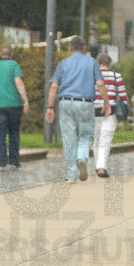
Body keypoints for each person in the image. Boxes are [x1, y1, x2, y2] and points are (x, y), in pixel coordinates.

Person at [45, 37, 110, 183]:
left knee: (68, 138)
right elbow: (100, 84)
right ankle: (82, 157)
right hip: (86, 103)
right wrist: (106, 103)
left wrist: (50, 107)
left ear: (69, 49)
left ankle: (71, 175)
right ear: (84, 48)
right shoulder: (92, 62)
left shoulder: (63, 64)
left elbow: (54, 86)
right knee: (85, 135)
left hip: (66, 103)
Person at [0, 45, 29, 169]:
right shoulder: (14, 65)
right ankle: (14, 162)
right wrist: (25, 99)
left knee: (0, 135)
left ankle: (0, 164)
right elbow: (18, 81)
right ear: (12, 54)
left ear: (0, 54)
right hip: (14, 104)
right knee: (14, 133)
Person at [92, 53, 128, 178]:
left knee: (96, 139)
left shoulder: (93, 74)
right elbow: (122, 95)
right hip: (111, 111)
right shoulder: (116, 75)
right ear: (109, 63)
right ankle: (101, 167)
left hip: (94, 110)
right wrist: (124, 107)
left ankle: (98, 165)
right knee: (105, 139)